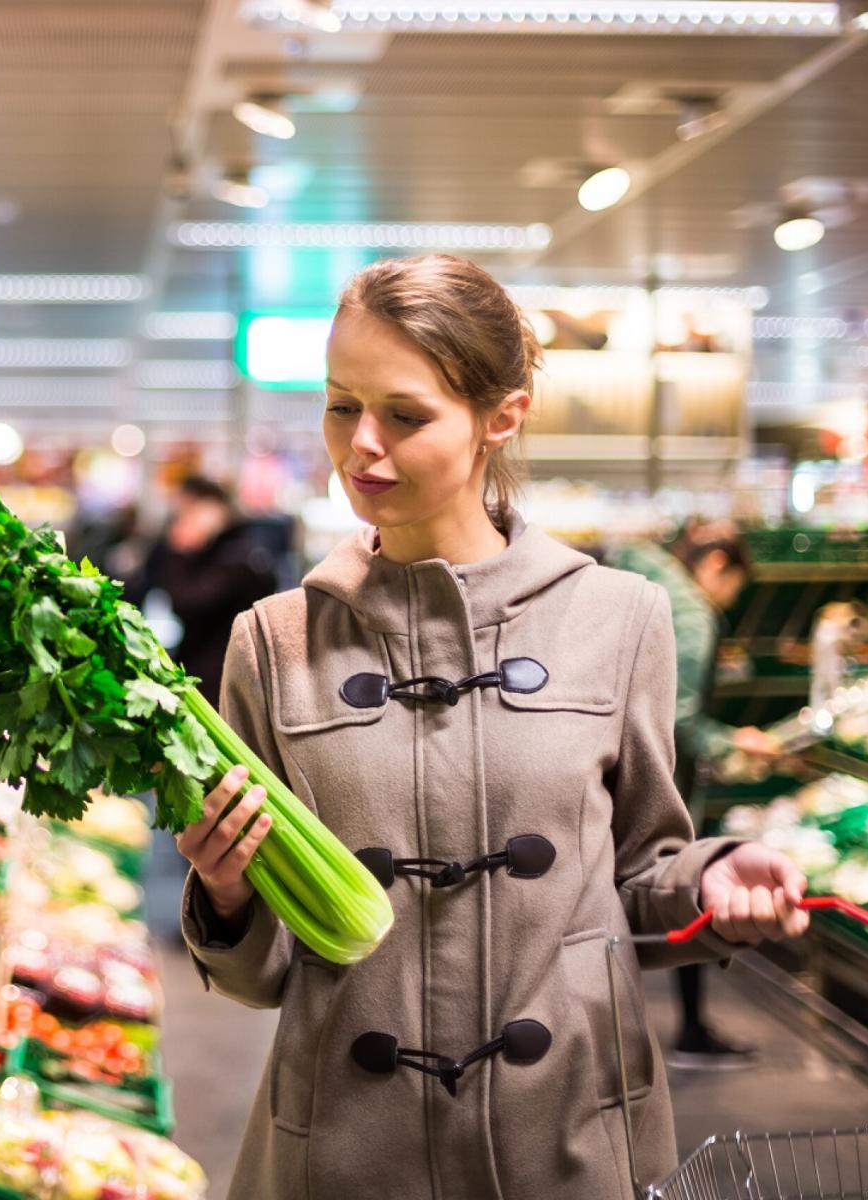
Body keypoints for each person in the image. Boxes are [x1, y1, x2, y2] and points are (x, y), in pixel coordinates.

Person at [174, 255, 809, 1200]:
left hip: (566, 1140)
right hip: (344, 1151)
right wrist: (224, 894)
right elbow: (265, 972)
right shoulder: (272, 643)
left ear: (500, 418)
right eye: (342, 406)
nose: (362, 448)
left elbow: (633, 881)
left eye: (406, 414)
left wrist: (714, 876)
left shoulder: (620, 619)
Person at [610, 524, 784, 1070]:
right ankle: (688, 1031)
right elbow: (679, 719)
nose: (731, 598)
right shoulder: (690, 614)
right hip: (658, 781)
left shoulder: (631, 580)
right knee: (683, 881)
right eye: (737, 584)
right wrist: (736, 740)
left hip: (610, 775)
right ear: (715, 566)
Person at [125, 476, 278, 707]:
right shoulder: (204, 553)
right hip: (197, 667)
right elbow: (144, 589)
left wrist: (181, 550)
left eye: (189, 511)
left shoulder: (238, 555)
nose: (182, 522)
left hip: (226, 678)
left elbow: (188, 601)